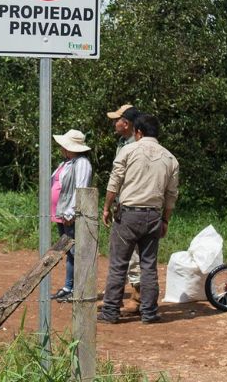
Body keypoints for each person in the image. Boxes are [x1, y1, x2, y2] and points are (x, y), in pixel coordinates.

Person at [98, 114, 179, 324]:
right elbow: (171, 195)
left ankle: (110, 312)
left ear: (138, 132)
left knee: (118, 264)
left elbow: (114, 182)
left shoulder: (128, 150)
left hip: (128, 215)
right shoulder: (170, 158)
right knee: (148, 265)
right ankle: (149, 312)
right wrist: (165, 220)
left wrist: (107, 207)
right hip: (153, 216)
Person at [48, 129, 93, 303]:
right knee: (70, 252)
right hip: (61, 213)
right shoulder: (67, 162)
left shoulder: (82, 163)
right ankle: (68, 287)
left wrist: (72, 212)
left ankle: (77, 289)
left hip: (69, 214)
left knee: (75, 252)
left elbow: (81, 188)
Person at [106, 104, 143, 311]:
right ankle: (118, 298)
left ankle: (137, 297)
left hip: (133, 206)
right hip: (123, 204)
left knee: (134, 254)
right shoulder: (123, 143)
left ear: (126, 123)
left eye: (117, 120)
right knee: (120, 253)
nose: (114, 123)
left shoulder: (136, 146)